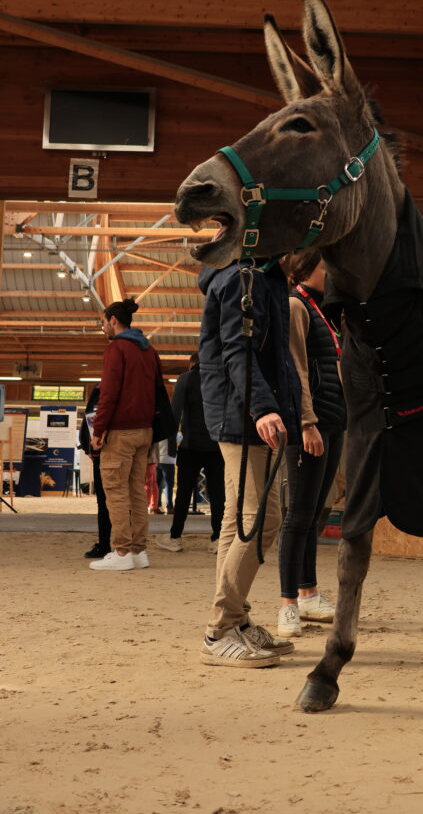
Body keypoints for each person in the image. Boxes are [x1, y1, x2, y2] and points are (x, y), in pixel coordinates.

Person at [198, 258, 300, 668]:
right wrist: (262, 407)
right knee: (262, 519)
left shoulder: (259, 277)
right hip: (241, 415)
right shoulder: (245, 278)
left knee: (236, 519)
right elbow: (236, 350)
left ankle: (235, 620)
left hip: (241, 412)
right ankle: (219, 629)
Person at [277, 253, 346, 638]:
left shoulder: (322, 311)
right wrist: (306, 421)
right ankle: (288, 603)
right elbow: (297, 369)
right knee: (299, 514)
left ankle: (308, 592)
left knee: (317, 512)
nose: (331, 274)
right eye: (326, 268)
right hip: (312, 423)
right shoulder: (295, 306)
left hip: (333, 421)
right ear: (306, 271)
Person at [89, 298, 161, 571]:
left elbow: (108, 394)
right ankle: (139, 551)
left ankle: (121, 552)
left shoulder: (116, 349)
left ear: (113, 321)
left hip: (120, 432)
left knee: (115, 490)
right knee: (136, 492)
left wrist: (99, 429)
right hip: (145, 430)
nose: (103, 327)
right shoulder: (148, 350)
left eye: (104, 322)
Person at [156, 353, 225, 554]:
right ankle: (218, 538)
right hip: (216, 446)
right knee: (218, 494)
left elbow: (174, 413)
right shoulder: (221, 378)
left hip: (190, 446)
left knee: (184, 494)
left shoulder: (186, 379)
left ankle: (175, 537)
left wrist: (170, 449)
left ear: (192, 364)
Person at [79, 385, 111, 560]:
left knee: (107, 501)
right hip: (102, 453)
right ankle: (128, 545)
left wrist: (89, 447)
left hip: (105, 452)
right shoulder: (99, 389)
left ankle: (107, 544)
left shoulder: (102, 390)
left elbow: (91, 418)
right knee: (114, 500)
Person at [157, 437, 176, 514]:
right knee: (169, 485)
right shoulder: (173, 434)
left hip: (158, 460)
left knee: (158, 485)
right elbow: (180, 439)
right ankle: (169, 507)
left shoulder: (159, 433)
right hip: (169, 461)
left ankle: (157, 506)